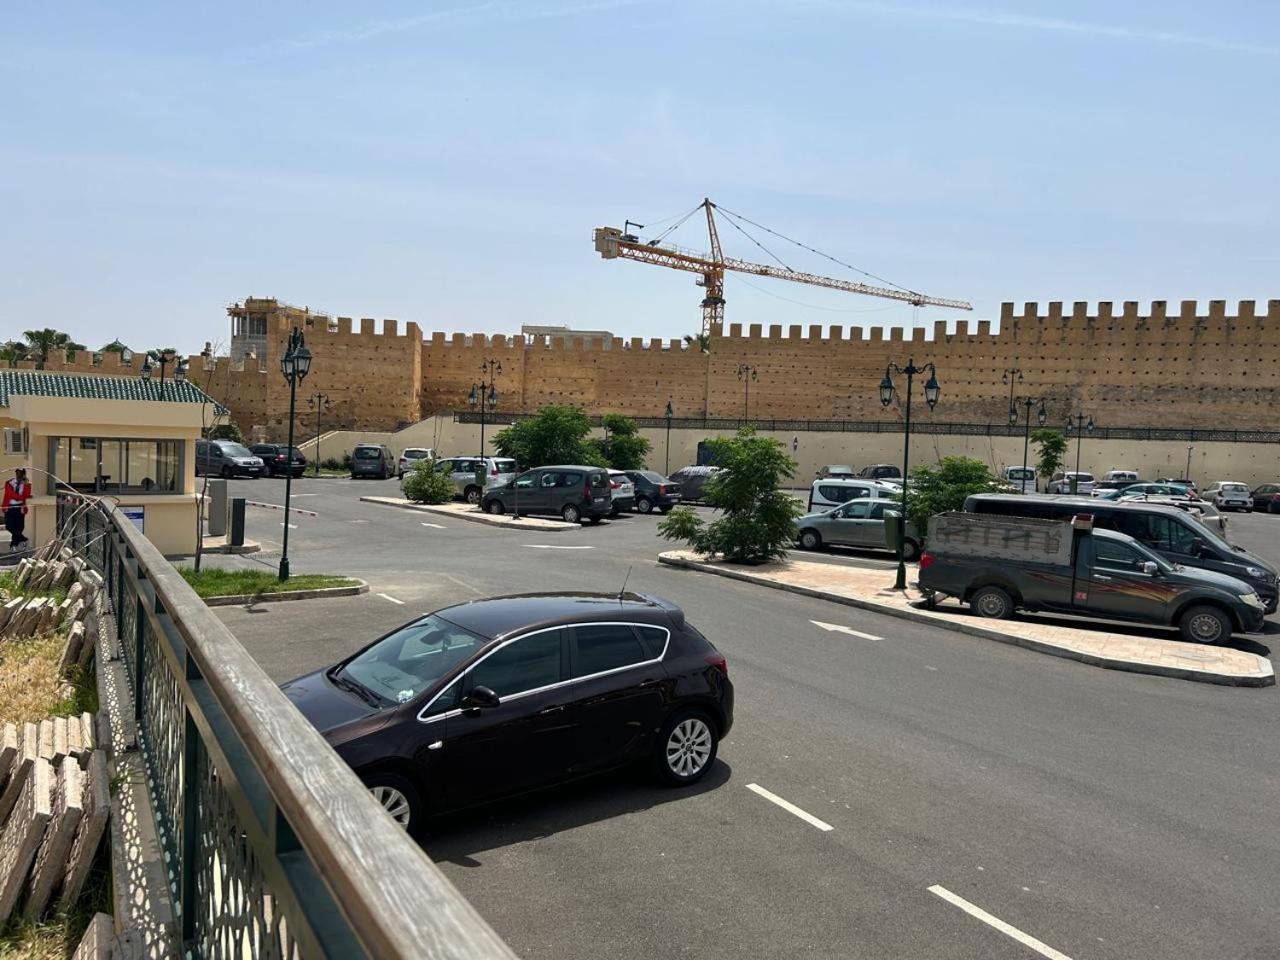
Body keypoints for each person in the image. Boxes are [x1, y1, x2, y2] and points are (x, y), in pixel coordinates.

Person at [2, 468, 32, 550]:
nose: (18, 476)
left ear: (23, 475)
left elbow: (27, 494)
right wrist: (21, 498)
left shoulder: (25, 484)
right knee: (9, 526)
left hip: (20, 508)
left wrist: (27, 484)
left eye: (20, 474)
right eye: (17, 474)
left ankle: (13, 545)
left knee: (19, 527)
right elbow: (10, 494)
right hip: (9, 507)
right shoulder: (9, 483)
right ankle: (23, 539)